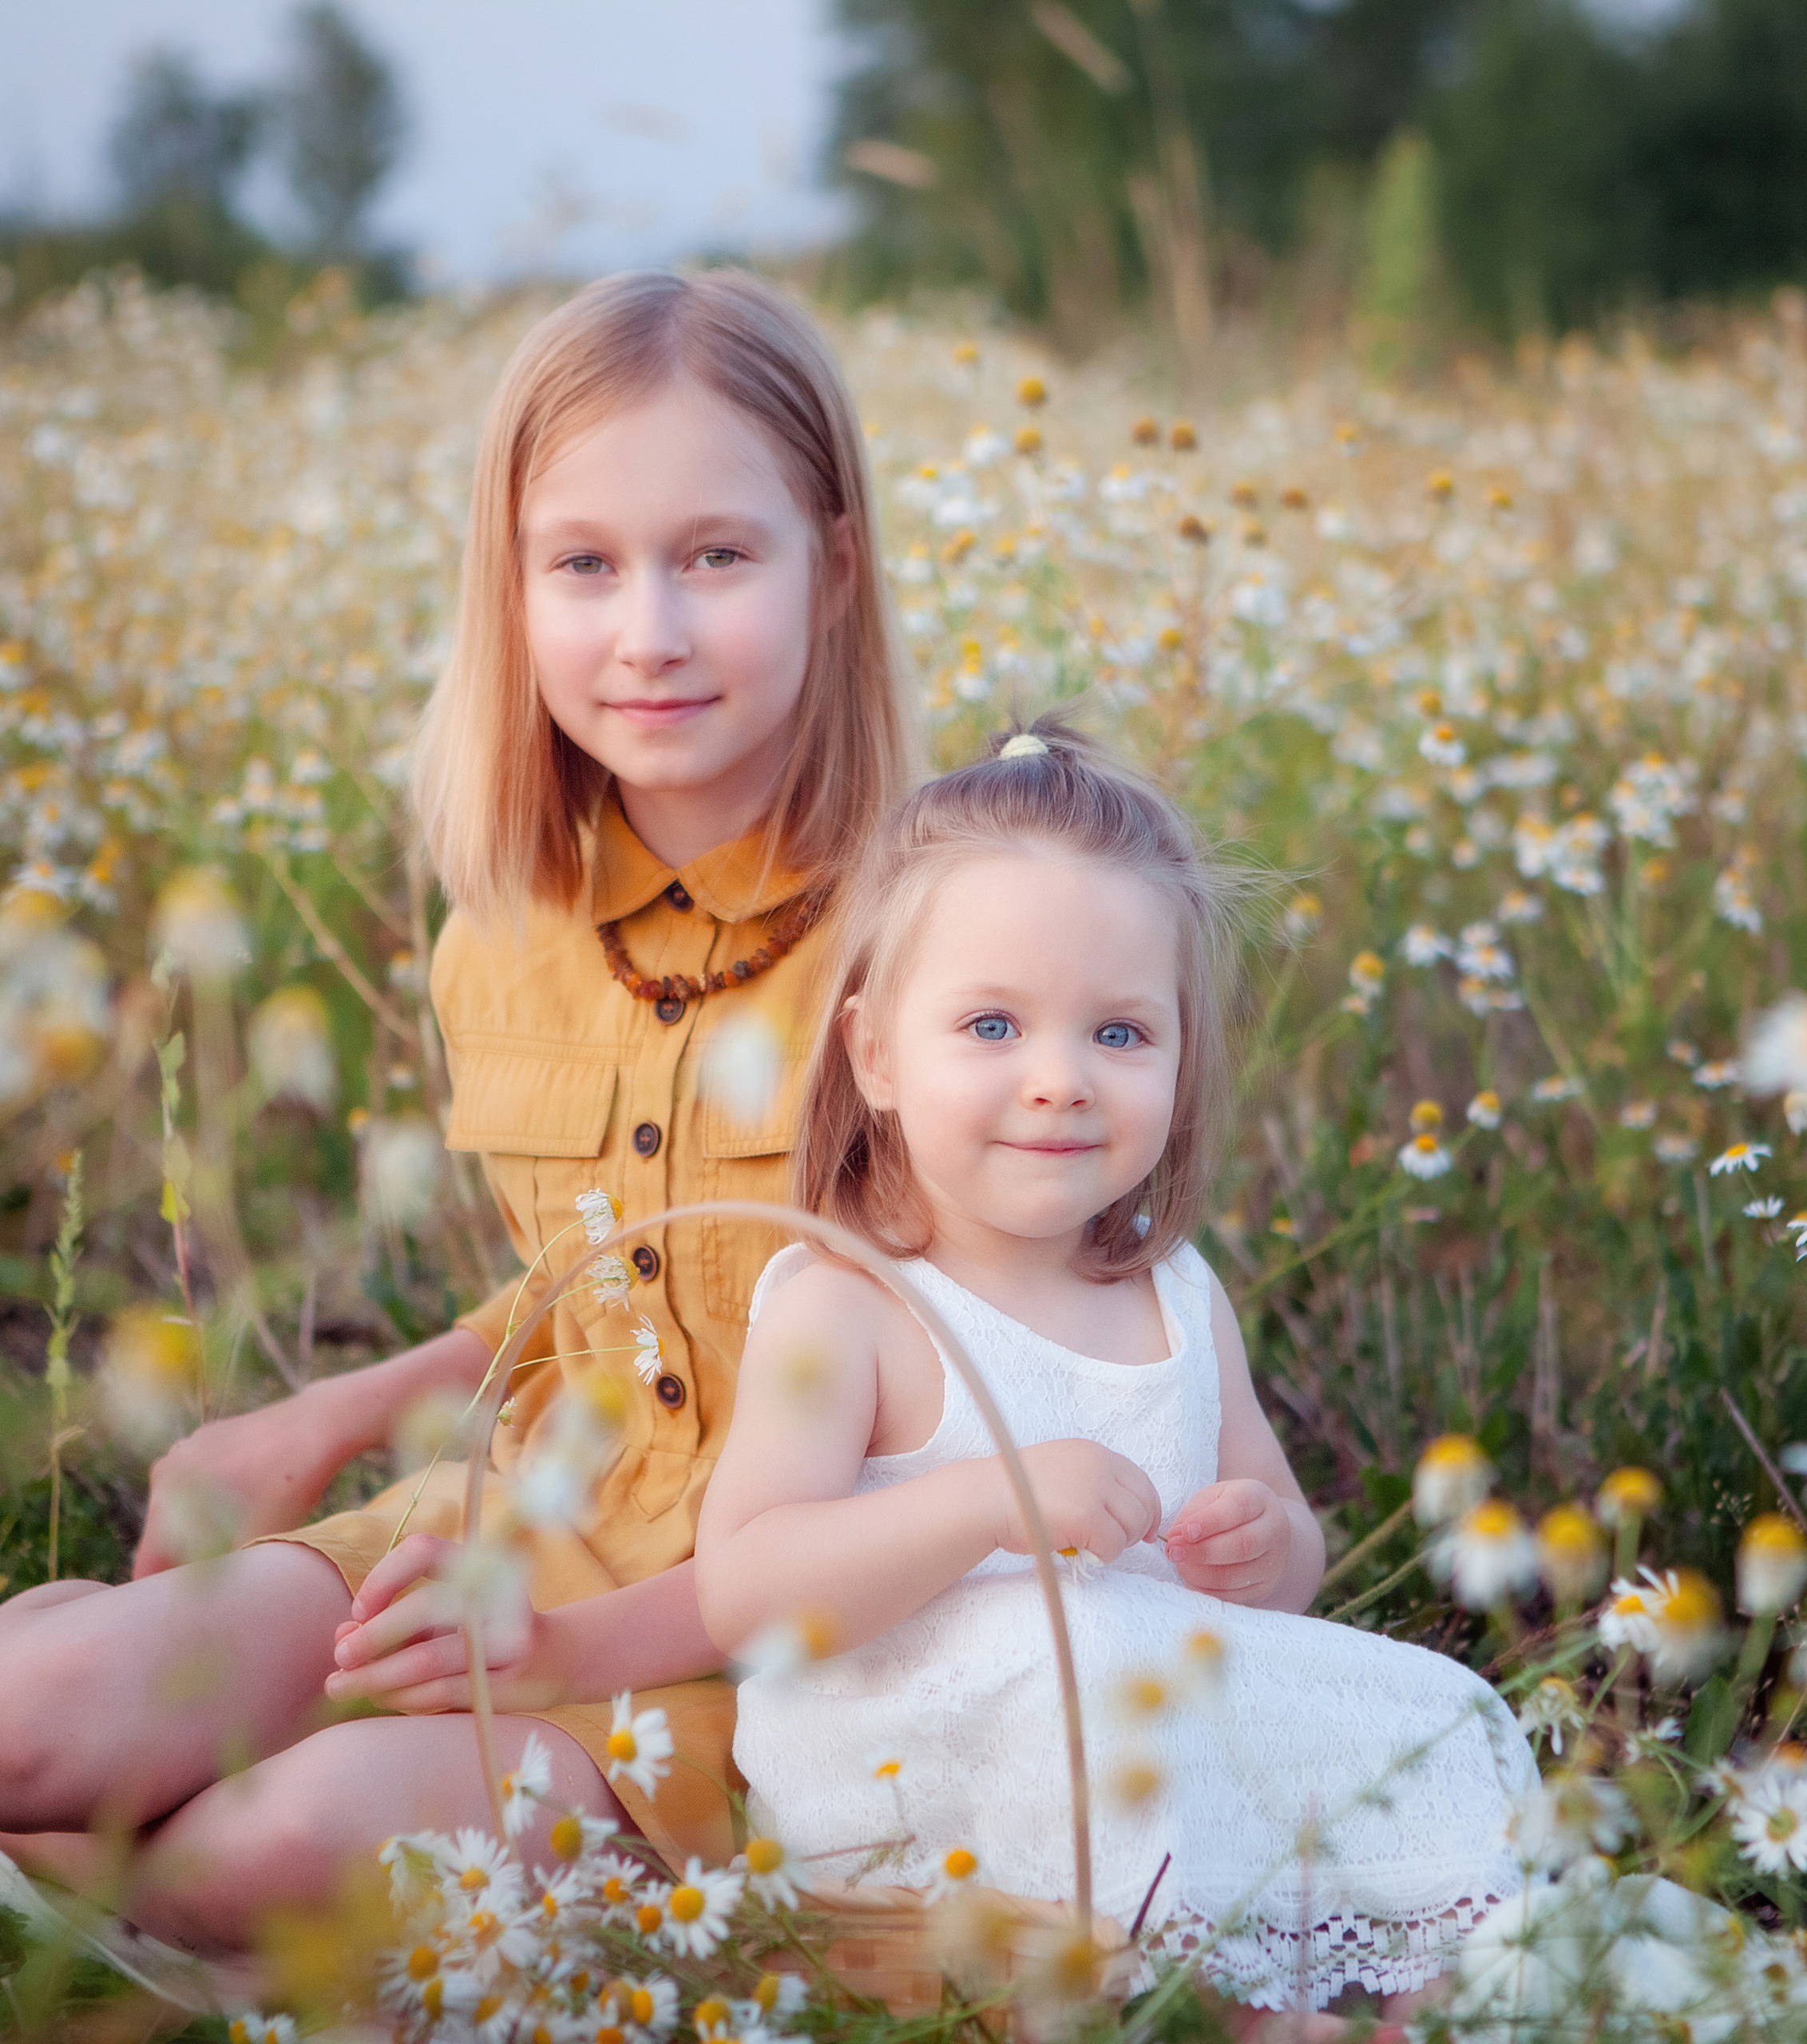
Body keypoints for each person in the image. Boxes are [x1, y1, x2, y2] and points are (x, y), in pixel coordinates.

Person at [0, 268, 912, 1950]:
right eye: (584, 564)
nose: (648, 631)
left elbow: (1013, 1326)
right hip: (506, 1535)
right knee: (27, 1721)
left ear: (834, 567)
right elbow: (605, 1277)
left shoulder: (937, 936)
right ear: (512, 583)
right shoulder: (501, 935)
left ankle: (176, 1845)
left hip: (745, 1648)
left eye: (718, 556)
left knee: (262, 1851)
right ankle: (120, 1747)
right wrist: (337, 1409)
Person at [695, 722, 1535, 2026]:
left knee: (1440, 1706)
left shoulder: (1176, 1297)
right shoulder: (849, 1305)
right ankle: (1217, 2013)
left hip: (1148, 1734)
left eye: (1121, 1034)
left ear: (1183, 1060)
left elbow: (1278, 1552)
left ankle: (1430, 1977)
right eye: (991, 1025)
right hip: (918, 1783)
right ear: (875, 1057)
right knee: (1080, 1644)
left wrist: (1265, 1547)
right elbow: (746, 1592)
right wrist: (989, 1500)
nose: (1060, 1082)